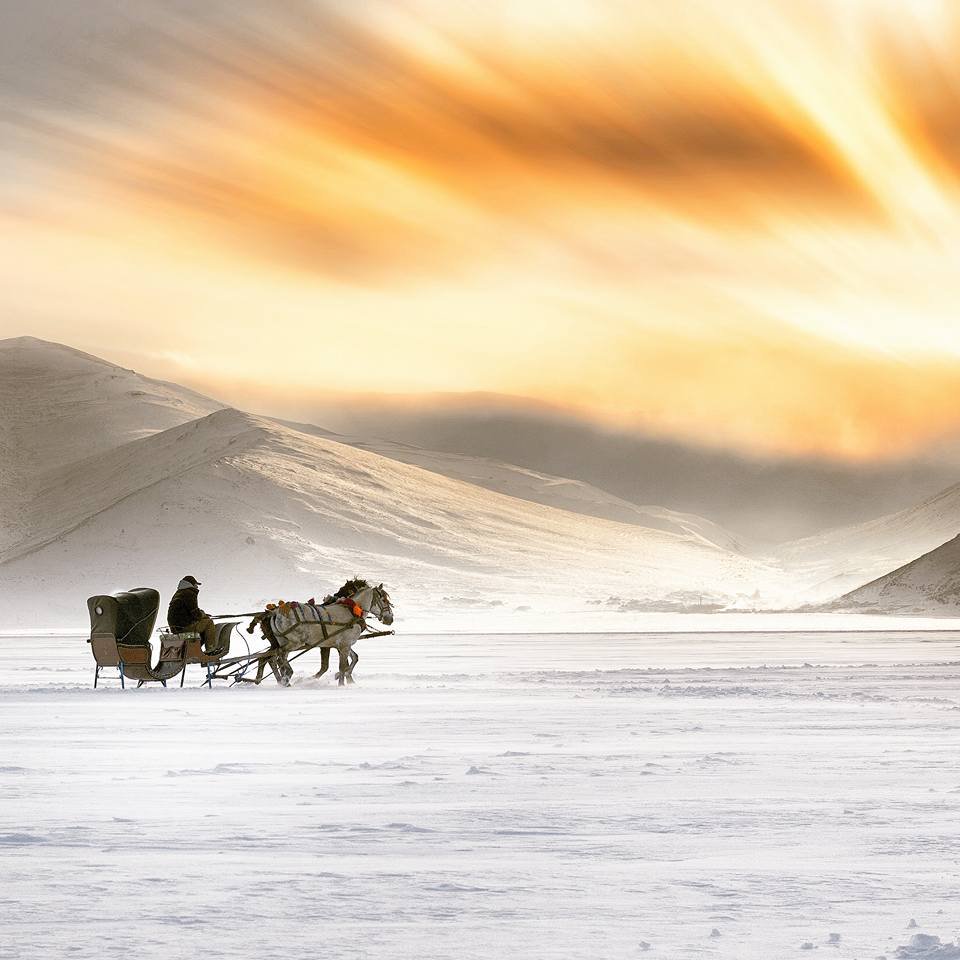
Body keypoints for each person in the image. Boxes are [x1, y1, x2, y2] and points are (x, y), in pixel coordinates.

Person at [167, 575, 216, 650]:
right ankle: (211, 650)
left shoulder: (178, 593)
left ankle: (196, 649)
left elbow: (188, 611)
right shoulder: (189, 593)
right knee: (209, 623)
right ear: (191, 584)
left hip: (175, 628)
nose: (197, 587)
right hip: (184, 627)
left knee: (203, 622)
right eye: (196, 584)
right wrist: (203, 615)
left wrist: (201, 614)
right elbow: (195, 613)